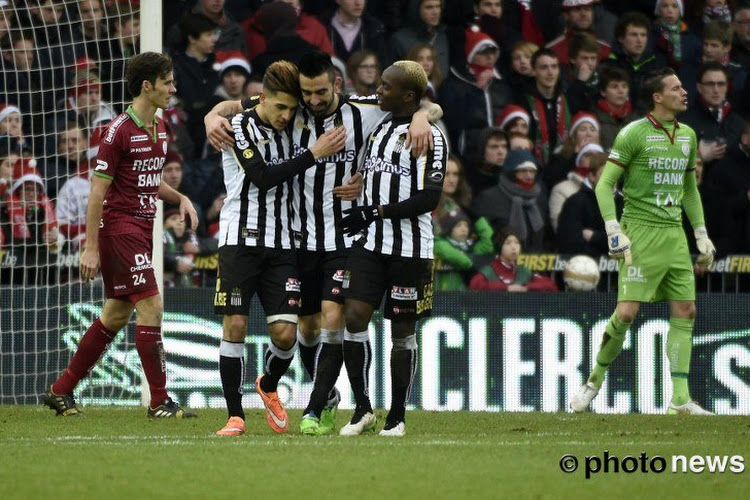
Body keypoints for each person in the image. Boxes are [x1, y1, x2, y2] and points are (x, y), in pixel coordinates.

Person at [204, 51, 441, 436]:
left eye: (319, 92)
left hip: (345, 236)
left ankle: (331, 407)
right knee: (308, 329)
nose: (312, 101)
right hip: (297, 239)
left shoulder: (365, 110)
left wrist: (419, 116)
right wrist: (211, 115)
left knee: (337, 317)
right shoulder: (289, 108)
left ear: (336, 84)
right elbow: (238, 104)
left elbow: (428, 104)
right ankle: (324, 397)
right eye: (306, 94)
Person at [43, 52, 200, 419]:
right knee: (152, 306)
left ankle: (61, 390)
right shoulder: (117, 132)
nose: (173, 89)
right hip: (119, 229)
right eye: (168, 82)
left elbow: (148, 180)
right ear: (147, 85)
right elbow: (98, 192)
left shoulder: (160, 128)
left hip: (143, 228)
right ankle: (159, 401)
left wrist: (180, 198)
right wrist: (90, 247)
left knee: (115, 314)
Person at [208, 60, 347, 437]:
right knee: (235, 324)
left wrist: (424, 114)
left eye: (292, 108)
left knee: (286, 334)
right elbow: (263, 177)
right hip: (239, 241)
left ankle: (268, 384)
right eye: (280, 107)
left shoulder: (295, 115)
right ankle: (235, 415)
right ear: (263, 98)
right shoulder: (238, 127)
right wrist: (314, 153)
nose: (287, 116)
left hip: (285, 244)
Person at [569, 67, 716, 415]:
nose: (684, 92)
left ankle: (680, 399)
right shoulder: (632, 134)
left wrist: (700, 232)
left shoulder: (688, 136)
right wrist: (613, 228)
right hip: (640, 233)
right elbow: (605, 185)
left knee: (686, 310)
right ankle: (592, 382)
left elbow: (689, 190)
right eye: (676, 88)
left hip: (674, 235)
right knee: (627, 313)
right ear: (658, 97)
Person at [336, 60, 446, 437]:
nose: (378, 90)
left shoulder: (432, 136)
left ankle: (397, 416)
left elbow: (429, 198)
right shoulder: (380, 124)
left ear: (409, 96)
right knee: (353, 318)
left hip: (410, 250)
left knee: (401, 331)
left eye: (386, 86)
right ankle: (363, 408)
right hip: (370, 244)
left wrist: (375, 210)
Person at [469, 227, 557, 292]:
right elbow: (474, 285)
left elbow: (551, 286)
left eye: (517, 243)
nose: (514, 247)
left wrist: (526, 287)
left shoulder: (524, 271)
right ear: (499, 247)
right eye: (508, 243)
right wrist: (506, 288)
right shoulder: (489, 270)